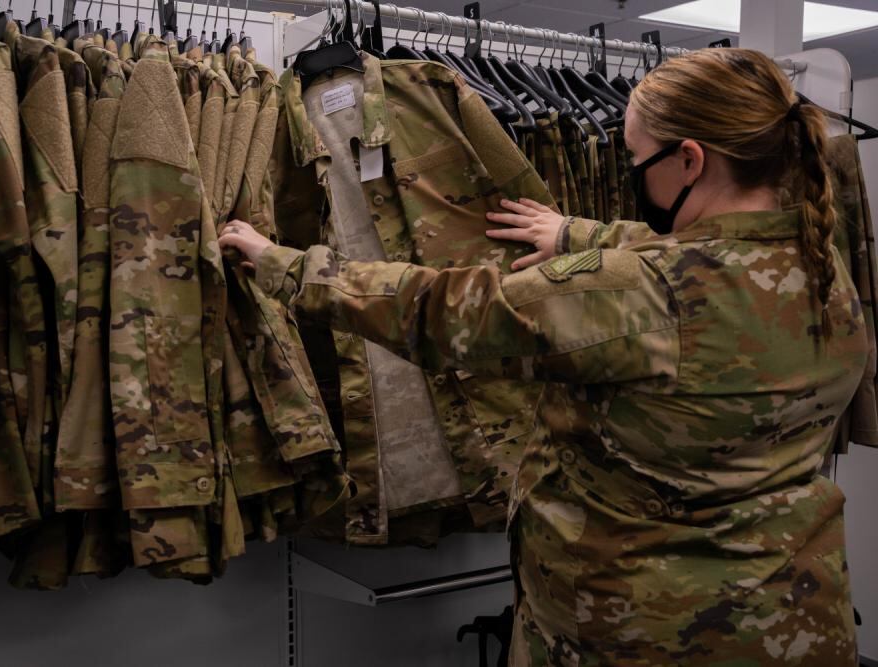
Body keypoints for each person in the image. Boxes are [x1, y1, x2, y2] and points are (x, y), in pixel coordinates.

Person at [220, 48, 867, 665]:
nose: (630, 172)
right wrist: (574, 233)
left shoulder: (639, 295)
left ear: (690, 161)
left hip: (649, 635)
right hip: (797, 616)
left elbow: (446, 310)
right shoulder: (818, 261)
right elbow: (687, 255)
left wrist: (288, 266)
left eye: (637, 158)